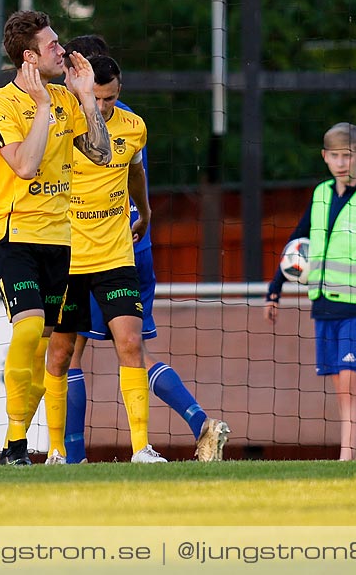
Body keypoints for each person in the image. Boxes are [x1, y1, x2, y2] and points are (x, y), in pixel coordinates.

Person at [59, 34, 230, 464]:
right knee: (132, 347)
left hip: (105, 246)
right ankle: (199, 423)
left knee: (72, 352)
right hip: (137, 245)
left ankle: (69, 457)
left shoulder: (80, 119)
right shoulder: (129, 118)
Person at [0, 10, 112, 464]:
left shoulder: (66, 99)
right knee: (29, 325)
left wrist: (87, 99)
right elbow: (26, 165)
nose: (62, 49)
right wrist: (42, 108)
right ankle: (16, 444)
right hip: (14, 232)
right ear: (30, 57)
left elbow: (101, 153)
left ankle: (22, 447)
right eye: (52, 45)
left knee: (53, 344)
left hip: (63, 237)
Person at [49, 49, 163, 463]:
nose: (101, 106)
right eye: (95, 97)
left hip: (116, 255)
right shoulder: (62, 124)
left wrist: (145, 212)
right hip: (69, 258)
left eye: (110, 98)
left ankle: (141, 448)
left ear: (119, 91)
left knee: (131, 344)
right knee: (60, 354)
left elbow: (135, 172)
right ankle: (57, 452)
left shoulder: (134, 127)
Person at [264, 122, 356, 461]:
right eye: (335, 156)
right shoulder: (321, 194)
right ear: (325, 157)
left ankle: (344, 461)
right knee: (342, 392)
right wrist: (275, 289)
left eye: (348, 156)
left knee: (351, 387)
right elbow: (298, 240)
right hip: (323, 308)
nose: (341, 162)